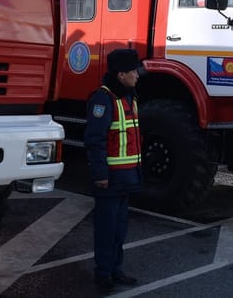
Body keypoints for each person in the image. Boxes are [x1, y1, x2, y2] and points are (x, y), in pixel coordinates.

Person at [84, 48, 144, 293]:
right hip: (109, 179)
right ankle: (103, 274)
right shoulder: (103, 99)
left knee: (119, 229)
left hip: (126, 178)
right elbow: (95, 140)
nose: (137, 75)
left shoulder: (129, 97)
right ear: (121, 75)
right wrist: (100, 175)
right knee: (106, 230)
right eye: (133, 71)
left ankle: (116, 269)